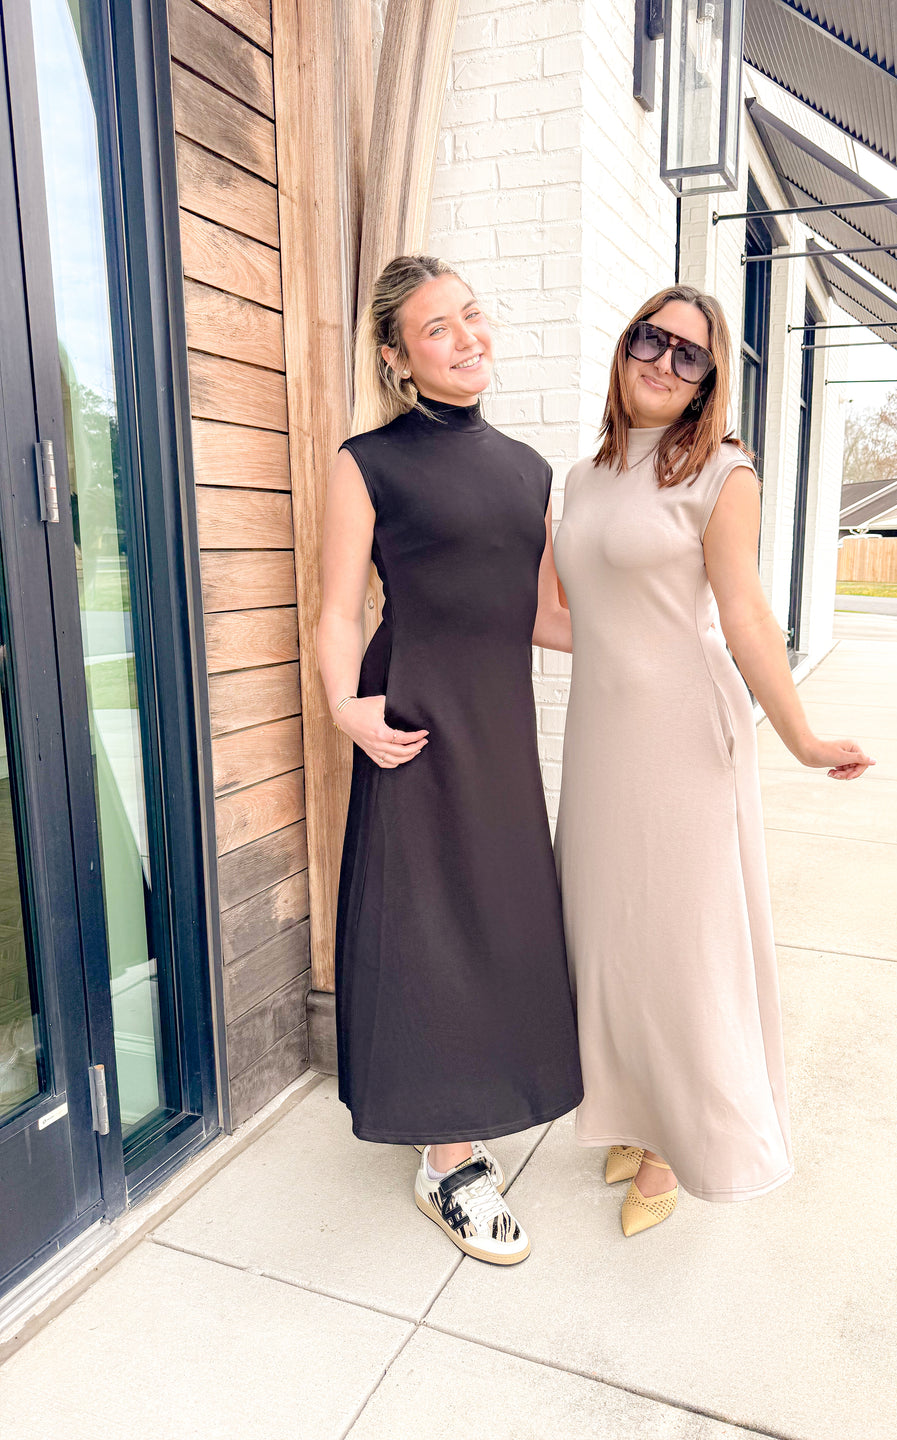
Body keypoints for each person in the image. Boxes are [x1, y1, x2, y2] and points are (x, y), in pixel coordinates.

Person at [553, 285, 873, 1236]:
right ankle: (630, 1110)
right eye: (650, 340)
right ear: (625, 347)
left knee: (682, 948)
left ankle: (677, 1142)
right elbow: (563, 616)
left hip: (684, 736)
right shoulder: (583, 477)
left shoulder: (723, 474)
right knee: (608, 936)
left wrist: (802, 737)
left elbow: (745, 616)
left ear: (707, 381)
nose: (663, 361)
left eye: (688, 354)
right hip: (600, 736)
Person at [317, 254, 582, 1266]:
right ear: (397, 357)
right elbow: (338, 607)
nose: (468, 338)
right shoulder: (367, 463)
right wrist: (345, 706)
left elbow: (545, 616)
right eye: (438, 328)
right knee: (428, 927)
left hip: (499, 723)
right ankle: (448, 1163)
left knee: (499, 912)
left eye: (471, 315)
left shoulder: (529, 471)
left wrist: (668, 636)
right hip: (414, 720)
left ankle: (478, 1103)